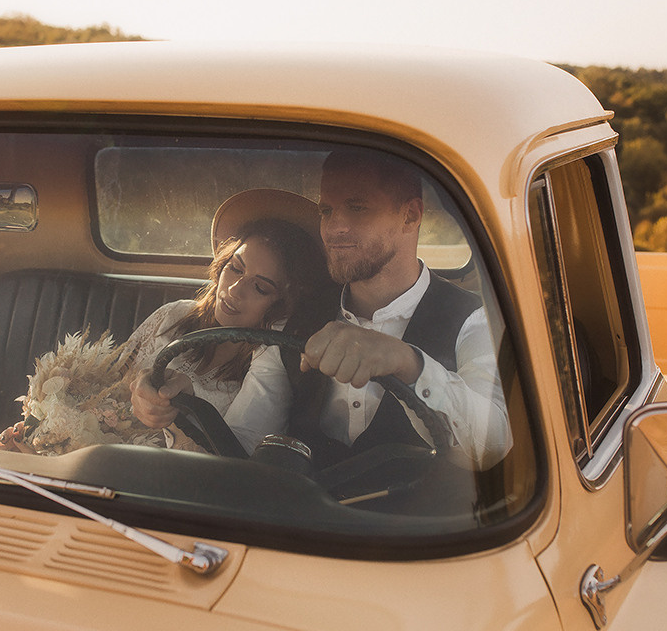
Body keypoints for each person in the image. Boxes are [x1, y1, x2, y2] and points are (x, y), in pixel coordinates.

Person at [132, 149, 512, 477]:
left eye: (357, 208)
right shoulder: (295, 321)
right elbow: (243, 446)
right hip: (307, 529)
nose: (334, 227)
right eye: (327, 211)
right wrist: (185, 405)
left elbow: (494, 442)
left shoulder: (471, 318)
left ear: (410, 216)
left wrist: (407, 362)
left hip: (419, 545)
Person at [126, 188, 333, 450]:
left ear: (285, 304)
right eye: (235, 268)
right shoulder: (174, 314)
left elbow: (234, 456)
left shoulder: (271, 361)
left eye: (260, 288)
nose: (234, 289)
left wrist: (183, 409)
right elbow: (109, 378)